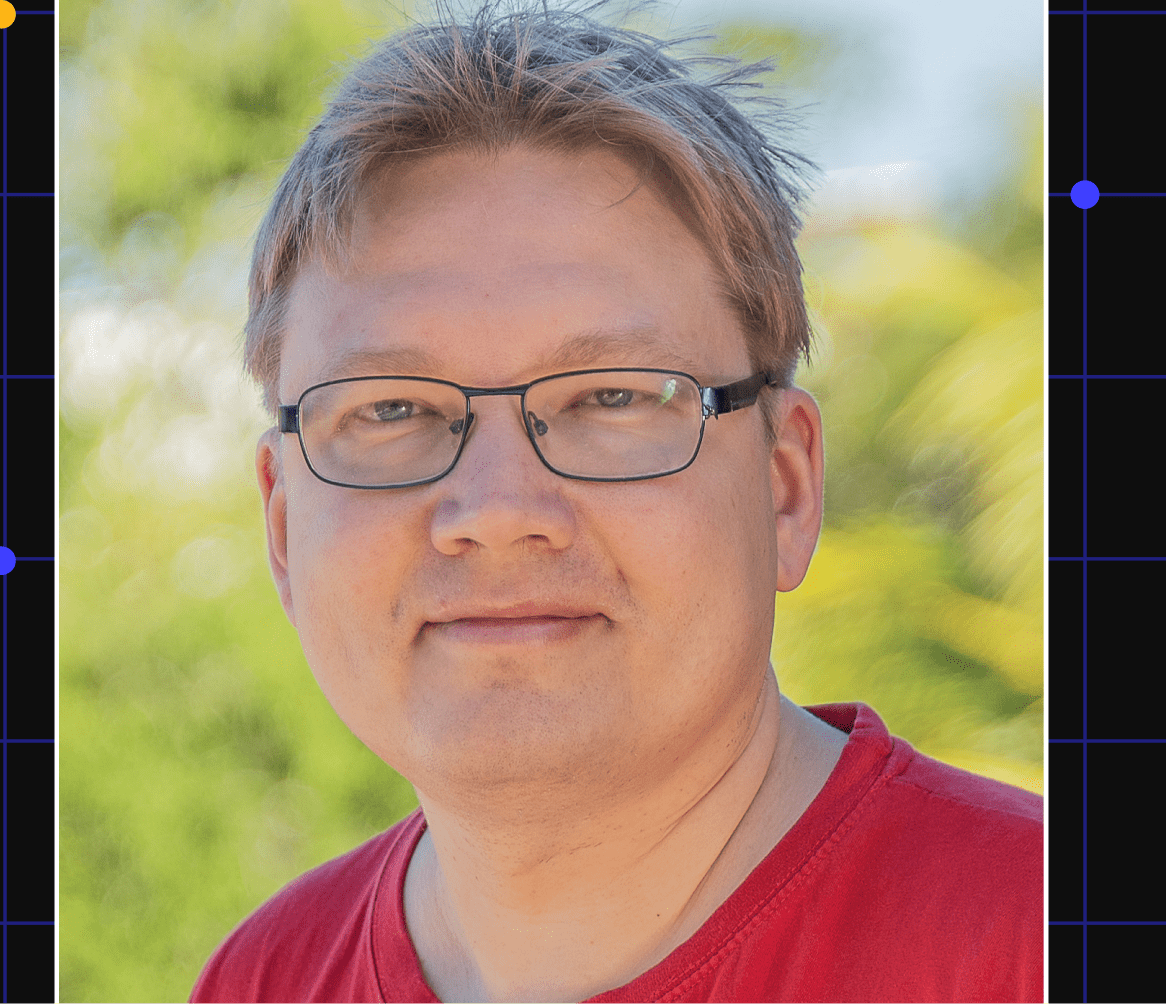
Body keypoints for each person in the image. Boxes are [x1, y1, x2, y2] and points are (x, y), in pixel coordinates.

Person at [190, 2, 1042, 1001]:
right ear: (284, 525)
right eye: (392, 408)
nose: (497, 507)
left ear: (785, 487)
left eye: (612, 397)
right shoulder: (263, 978)